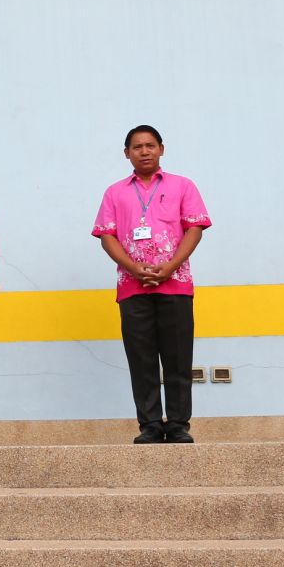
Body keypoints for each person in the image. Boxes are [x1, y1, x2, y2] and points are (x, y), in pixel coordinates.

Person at [92, 125, 212, 444]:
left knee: (178, 357)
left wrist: (170, 267)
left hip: (176, 285)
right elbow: (107, 235)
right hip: (133, 288)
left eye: (150, 145)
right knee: (141, 358)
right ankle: (150, 425)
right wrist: (134, 268)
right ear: (126, 153)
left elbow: (195, 229)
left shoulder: (183, 186)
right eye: (137, 147)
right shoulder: (114, 192)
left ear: (161, 149)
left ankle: (178, 424)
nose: (144, 151)